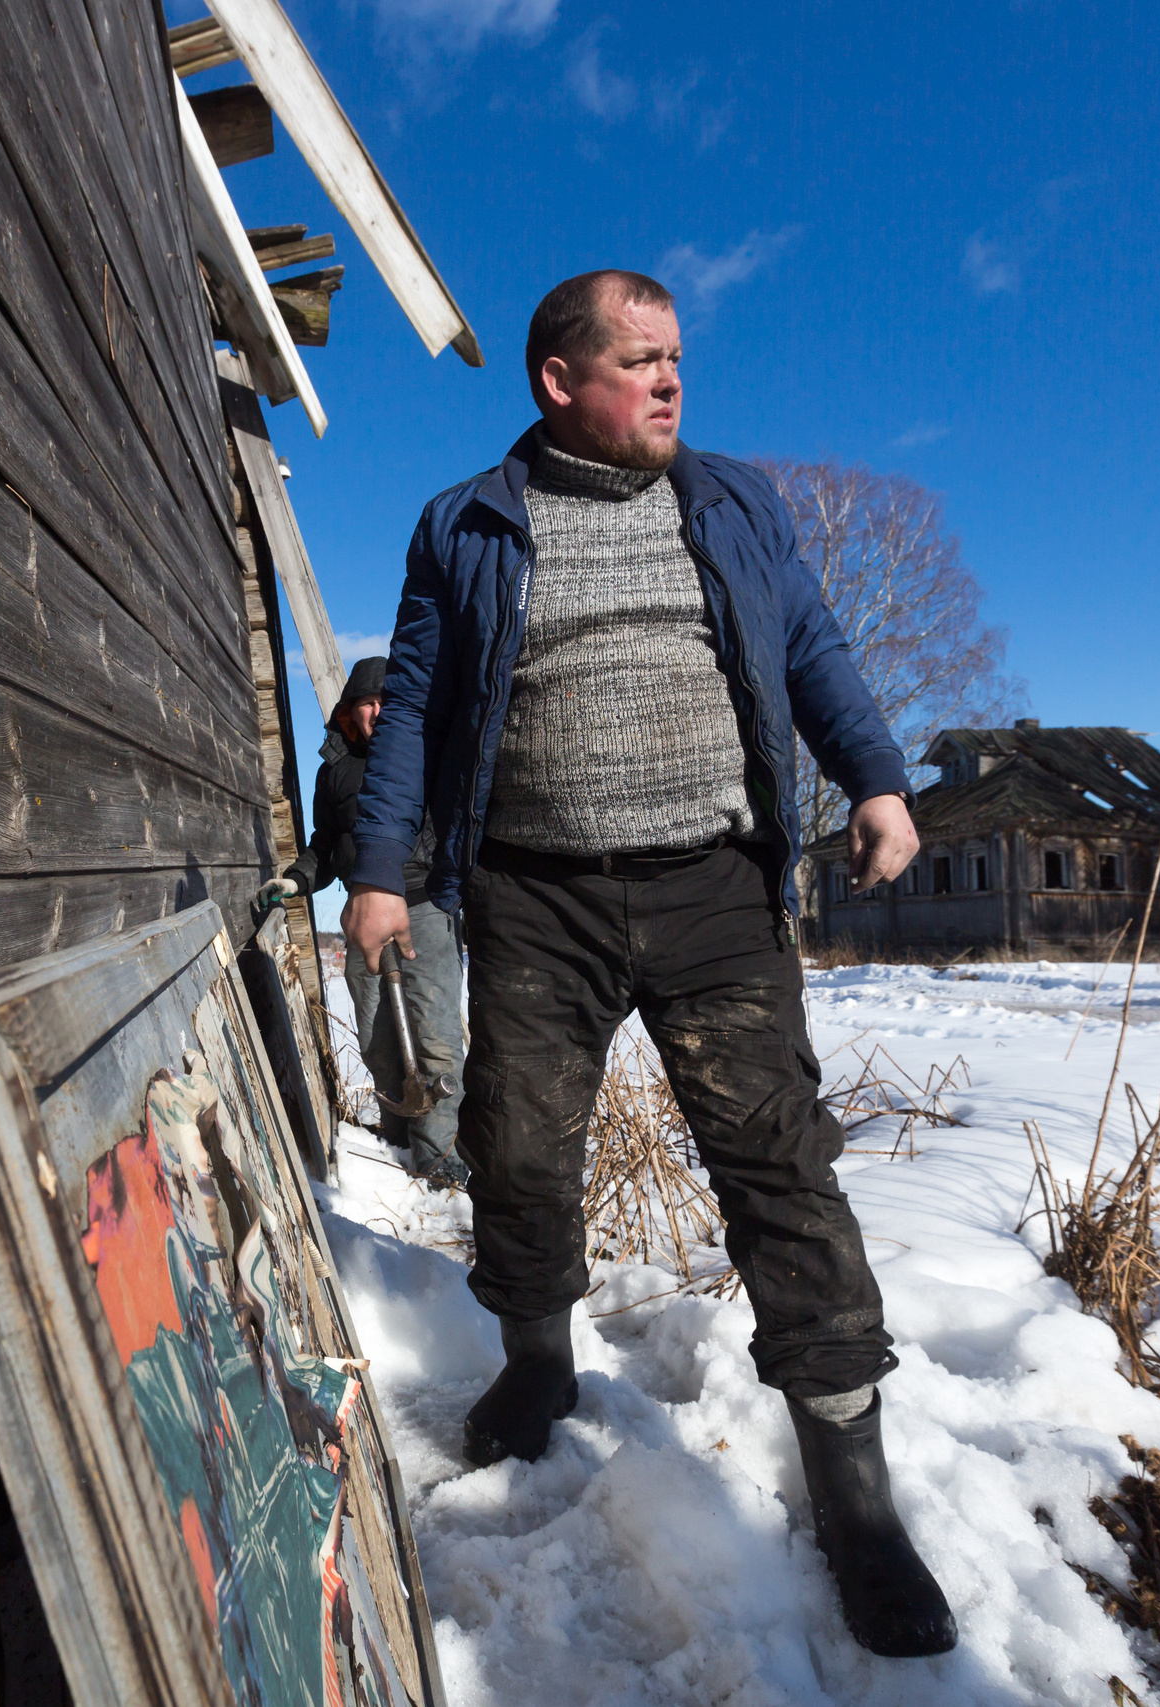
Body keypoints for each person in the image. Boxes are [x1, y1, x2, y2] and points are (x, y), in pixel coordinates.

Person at [340, 270, 955, 1657]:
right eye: (641, 361)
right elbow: (422, 708)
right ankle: (539, 1364)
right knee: (515, 1141)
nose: (673, 381)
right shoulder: (470, 522)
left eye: (678, 357)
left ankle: (857, 1498)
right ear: (560, 382)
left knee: (779, 1160)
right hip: (533, 894)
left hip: (714, 892)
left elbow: (809, 642)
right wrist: (381, 874)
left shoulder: (730, 501)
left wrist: (876, 777)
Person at [258, 658, 468, 1186]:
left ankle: (439, 1160)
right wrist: (298, 879)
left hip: (422, 908)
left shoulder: (421, 756)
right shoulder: (334, 771)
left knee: (437, 1039)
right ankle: (397, 1143)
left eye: (382, 702)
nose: (374, 713)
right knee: (377, 1040)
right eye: (364, 703)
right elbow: (325, 847)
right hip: (360, 918)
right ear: (350, 710)